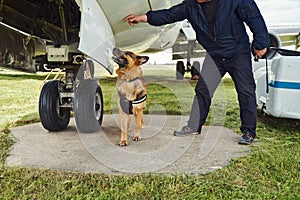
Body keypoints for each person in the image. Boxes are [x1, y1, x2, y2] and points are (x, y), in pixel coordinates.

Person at [124, 0, 270, 145]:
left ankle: (248, 132)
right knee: (203, 91)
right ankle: (193, 126)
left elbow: (254, 18)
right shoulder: (190, 6)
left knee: (246, 91)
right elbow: (169, 15)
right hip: (214, 56)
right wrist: (143, 18)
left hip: (238, 53)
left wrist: (261, 43)